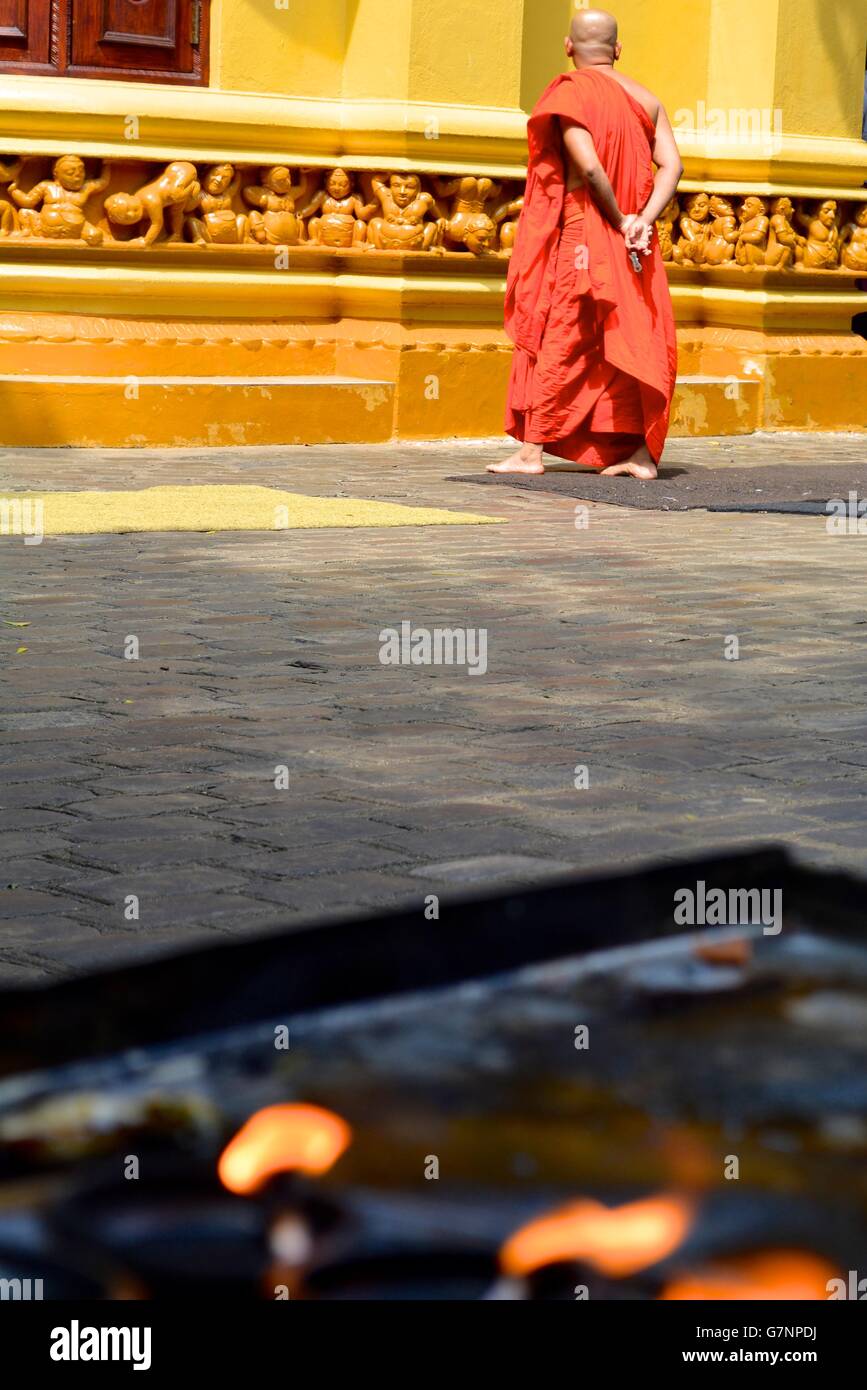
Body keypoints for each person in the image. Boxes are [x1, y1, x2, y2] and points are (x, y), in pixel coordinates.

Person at [489, 9, 681, 480]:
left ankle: (531, 452)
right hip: (637, 238)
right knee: (630, 331)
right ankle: (638, 453)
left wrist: (618, 219)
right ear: (618, 50)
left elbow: (591, 168)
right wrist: (642, 221)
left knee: (564, 332)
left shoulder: (570, 93)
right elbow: (672, 167)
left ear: (568, 46)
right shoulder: (647, 98)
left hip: (588, 229)